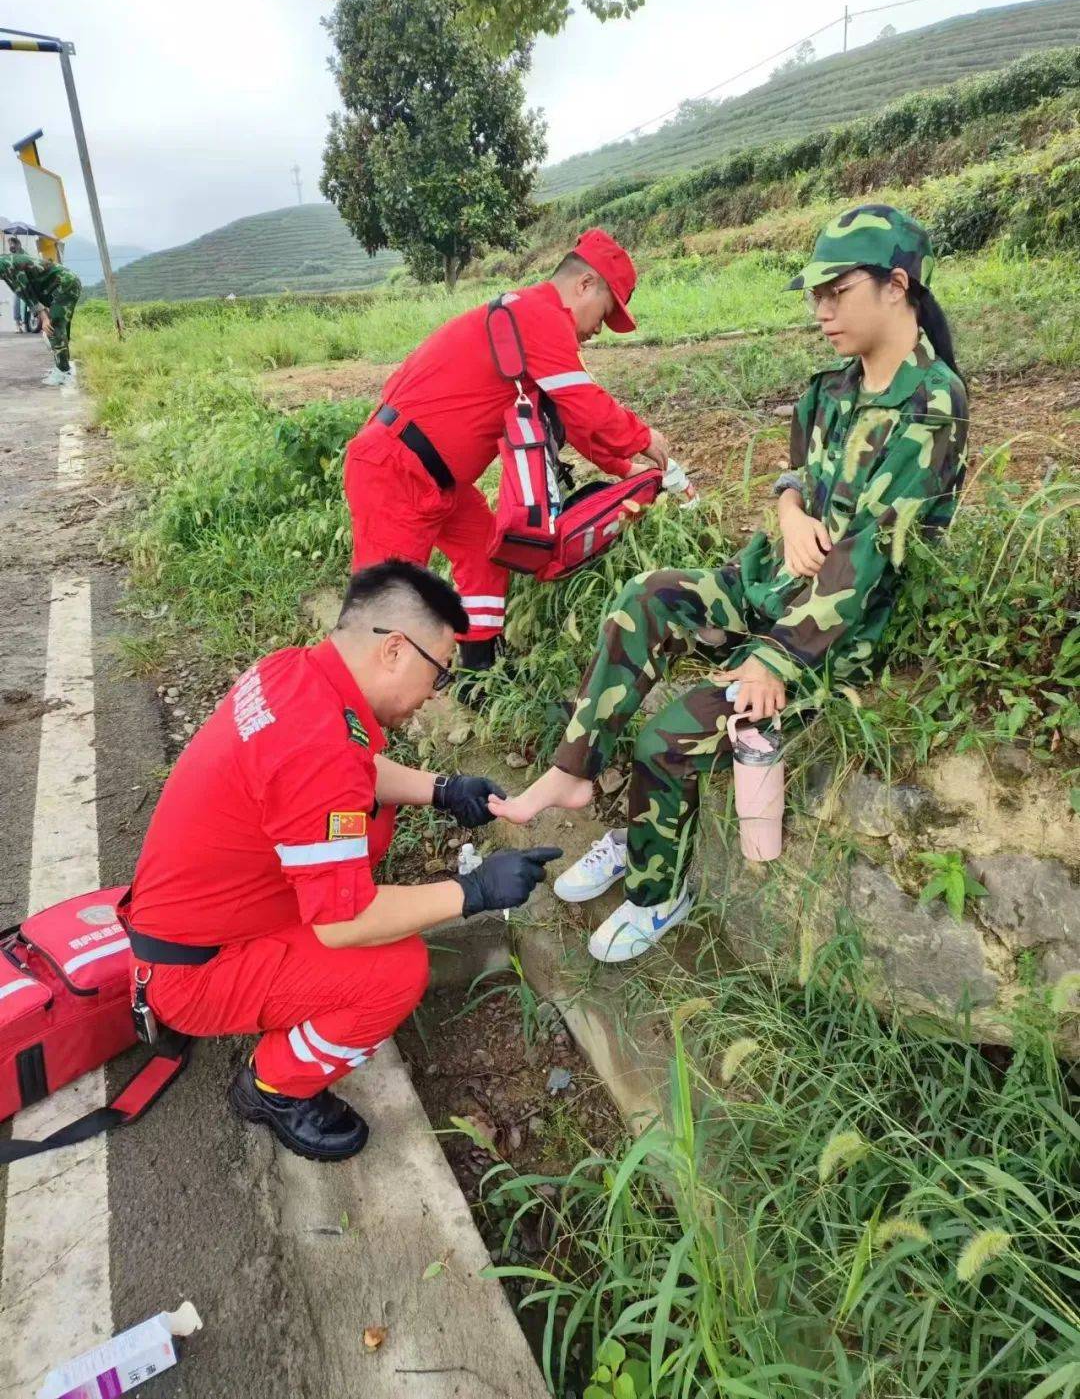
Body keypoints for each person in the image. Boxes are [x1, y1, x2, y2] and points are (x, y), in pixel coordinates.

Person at [491, 205, 968, 963]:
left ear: (897, 286)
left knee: (667, 738)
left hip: (837, 632)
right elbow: (797, 473)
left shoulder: (930, 406)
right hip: (767, 583)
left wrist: (778, 657)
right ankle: (573, 776)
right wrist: (784, 510)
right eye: (814, 294)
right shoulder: (831, 391)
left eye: (836, 291)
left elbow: (870, 553)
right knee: (642, 598)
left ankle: (657, 891)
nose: (820, 311)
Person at [124, 561, 561, 1161]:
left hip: (194, 918)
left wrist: (441, 787)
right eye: (438, 672)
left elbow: (349, 768)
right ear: (394, 651)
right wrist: (472, 891)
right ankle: (273, 1086)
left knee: (370, 824)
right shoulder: (317, 753)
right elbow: (343, 921)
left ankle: (274, 1012)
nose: (436, 692)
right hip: (193, 973)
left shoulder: (295, 674)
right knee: (397, 969)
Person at [344, 228, 674, 670]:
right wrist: (644, 439)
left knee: (485, 554)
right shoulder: (538, 316)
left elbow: (569, 417)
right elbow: (585, 403)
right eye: (605, 313)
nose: (598, 330)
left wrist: (622, 466)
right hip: (397, 470)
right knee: (386, 605)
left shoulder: (534, 326)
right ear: (584, 285)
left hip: (441, 480)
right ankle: (361, 711)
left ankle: (480, 673)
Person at [0, 249, 82, 385]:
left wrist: (43, 317)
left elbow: (25, 291)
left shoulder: (6, 265)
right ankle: (62, 367)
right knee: (58, 329)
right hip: (59, 286)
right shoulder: (5, 263)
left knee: (53, 327)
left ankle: (63, 372)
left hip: (65, 284)